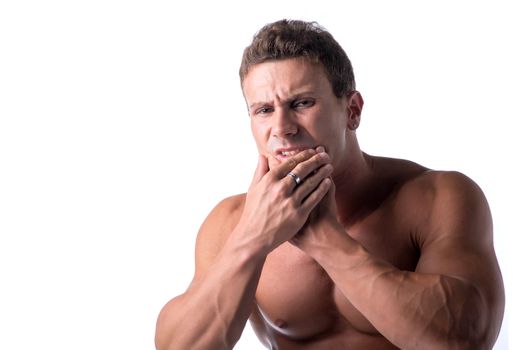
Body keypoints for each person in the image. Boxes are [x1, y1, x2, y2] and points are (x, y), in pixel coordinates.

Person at [155, 19, 505, 350]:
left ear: (352, 110)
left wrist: (325, 241)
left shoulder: (438, 198)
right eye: (263, 110)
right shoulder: (231, 223)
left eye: (302, 103)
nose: (281, 128)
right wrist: (252, 239)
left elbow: (468, 338)